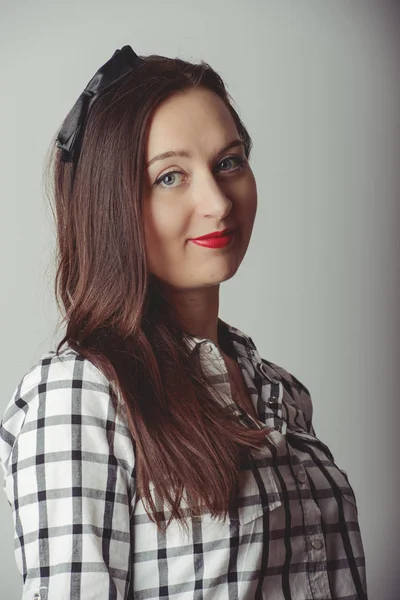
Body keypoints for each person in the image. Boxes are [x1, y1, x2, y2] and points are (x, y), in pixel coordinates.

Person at [0, 45, 368, 600]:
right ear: (112, 204)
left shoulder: (282, 392)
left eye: (229, 162)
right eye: (170, 176)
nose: (218, 202)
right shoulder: (78, 399)